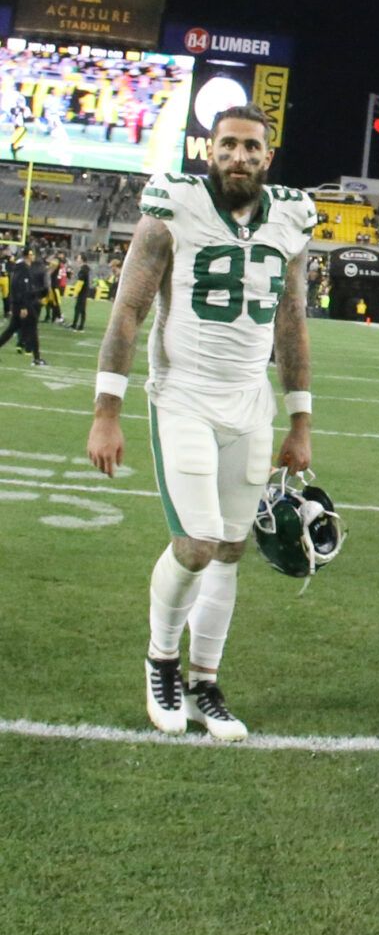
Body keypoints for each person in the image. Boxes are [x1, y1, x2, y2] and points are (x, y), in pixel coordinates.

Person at [86, 104, 318, 743]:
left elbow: (291, 322)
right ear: (208, 150)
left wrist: (301, 421)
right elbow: (129, 310)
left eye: (251, 148)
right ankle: (161, 660)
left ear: (267, 157)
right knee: (196, 544)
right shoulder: (173, 206)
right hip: (183, 394)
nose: (239, 156)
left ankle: (205, 681)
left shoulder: (294, 218)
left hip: (249, 403)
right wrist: (107, 413)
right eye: (228, 145)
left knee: (232, 549)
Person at [0, 247, 48, 366]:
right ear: (27, 256)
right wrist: (24, 307)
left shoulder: (20, 268)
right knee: (32, 329)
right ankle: (37, 358)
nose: (33, 257)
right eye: (31, 254)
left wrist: (39, 293)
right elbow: (22, 289)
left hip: (19, 304)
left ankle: (36, 357)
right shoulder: (23, 269)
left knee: (10, 330)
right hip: (23, 305)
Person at [68, 258, 92, 331]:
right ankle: (80, 325)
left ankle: (75, 325)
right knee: (82, 309)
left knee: (78, 309)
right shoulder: (85, 270)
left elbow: (80, 283)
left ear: (82, 260)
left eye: (78, 258)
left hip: (82, 292)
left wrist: (75, 293)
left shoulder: (83, 270)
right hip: (85, 292)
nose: (77, 260)